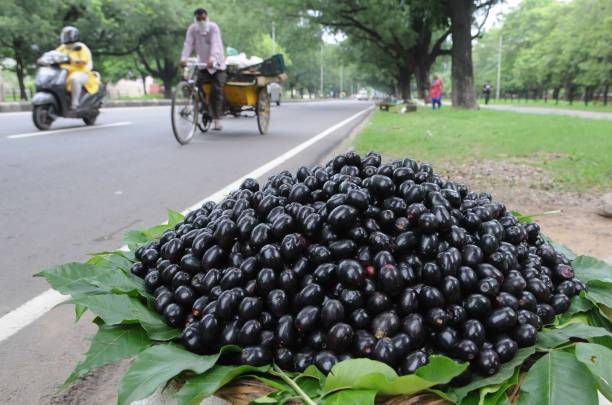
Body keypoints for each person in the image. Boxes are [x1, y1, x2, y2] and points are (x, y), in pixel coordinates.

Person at [180, 8, 226, 131]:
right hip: (202, 65)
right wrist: (184, 58)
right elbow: (188, 44)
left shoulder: (213, 28)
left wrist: (212, 59)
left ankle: (217, 119)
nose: (201, 21)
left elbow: (215, 44)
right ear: (195, 19)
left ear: (207, 17)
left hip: (217, 65)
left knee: (216, 90)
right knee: (196, 84)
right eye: (198, 19)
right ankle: (202, 108)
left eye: (203, 18)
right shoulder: (192, 30)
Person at [56, 26, 99, 111]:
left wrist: (75, 61)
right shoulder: (62, 47)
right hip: (65, 72)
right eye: (65, 35)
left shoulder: (80, 47)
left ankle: (75, 104)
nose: (66, 38)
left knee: (75, 79)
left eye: (68, 35)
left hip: (82, 72)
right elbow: (54, 54)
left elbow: (84, 60)